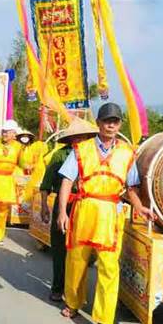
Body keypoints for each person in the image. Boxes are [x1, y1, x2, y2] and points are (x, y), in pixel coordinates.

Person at [57, 103, 154, 324]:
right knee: (77, 260)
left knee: (109, 268)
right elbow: (67, 181)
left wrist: (139, 206)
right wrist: (62, 212)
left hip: (111, 213)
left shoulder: (127, 152)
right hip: (84, 209)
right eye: (106, 121)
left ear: (119, 125)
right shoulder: (80, 149)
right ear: (98, 123)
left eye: (115, 121)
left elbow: (130, 188)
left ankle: (104, 322)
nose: (111, 125)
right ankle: (72, 302)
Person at [39, 116, 98, 302]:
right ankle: (58, 287)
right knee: (59, 248)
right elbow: (47, 183)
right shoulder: (60, 155)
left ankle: (75, 291)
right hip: (64, 203)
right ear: (71, 139)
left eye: (84, 137)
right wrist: (44, 206)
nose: (80, 140)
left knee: (81, 250)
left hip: (86, 204)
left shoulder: (95, 155)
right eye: (76, 137)